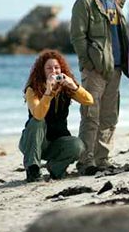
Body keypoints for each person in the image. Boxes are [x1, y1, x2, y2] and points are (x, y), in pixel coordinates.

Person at [70, 0, 129, 176]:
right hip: (94, 70)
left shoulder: (116, 3)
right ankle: (86, 162)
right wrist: (88, 65)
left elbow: (122, 37)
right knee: (90, 116)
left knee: (109, 117)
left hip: (115, 69)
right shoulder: (85, 2)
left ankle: (102, 160)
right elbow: (77, 37)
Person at [19, 49, 94, 182]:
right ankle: (32, 169)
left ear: (62, 69)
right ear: (42, 71)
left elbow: (89, 100)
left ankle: (55, 169)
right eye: (49, 68)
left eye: (57, 67)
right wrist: (48, 92)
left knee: (78, 145)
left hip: (56, 142)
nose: (54, 71)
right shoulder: (32, 89)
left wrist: (74, 87)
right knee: (38, 122)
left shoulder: (66, 88)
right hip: (33, 143)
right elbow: (38, 114)